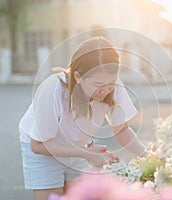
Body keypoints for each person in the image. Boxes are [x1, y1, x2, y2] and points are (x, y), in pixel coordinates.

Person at [19, 36, 146, 200]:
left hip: (78, 147)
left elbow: (121, 130)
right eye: (98, 84)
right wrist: (85, 153)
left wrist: (148, 156)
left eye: (111, 83)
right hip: (44, 147)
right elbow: (38, 145)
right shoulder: (52, 90)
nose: (105, 90)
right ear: (78, 77)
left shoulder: (111, 85)